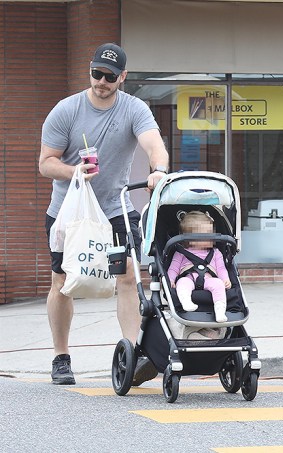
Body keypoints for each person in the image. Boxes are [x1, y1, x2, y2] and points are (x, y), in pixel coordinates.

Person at [39, 43, 170, 385]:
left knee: (128, 276)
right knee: (62, 283)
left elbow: (155, 145)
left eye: (110, 76)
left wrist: (158, 169)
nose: (101, 81)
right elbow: (45, 163)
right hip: (69, 212)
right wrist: (75, 172)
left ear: (122, 77)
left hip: (114, 208)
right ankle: (61, 356)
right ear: (90, 72)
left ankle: (131, 352)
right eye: (97, 73)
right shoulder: (66, 110)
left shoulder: (134, 109)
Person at [167, 211, 232, 323]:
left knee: (219, 285)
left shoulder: (216, 253)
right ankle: (186, 302)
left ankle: (220, 310)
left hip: (209, 279)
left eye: (212, 233)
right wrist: (170, 279)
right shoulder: (181, 252)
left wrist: (225, 279)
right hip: (189, 278)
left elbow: (221, 268)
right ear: (190, 239)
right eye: (206, 234)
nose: (212, 237)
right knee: (182, 282)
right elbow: (174, 268)